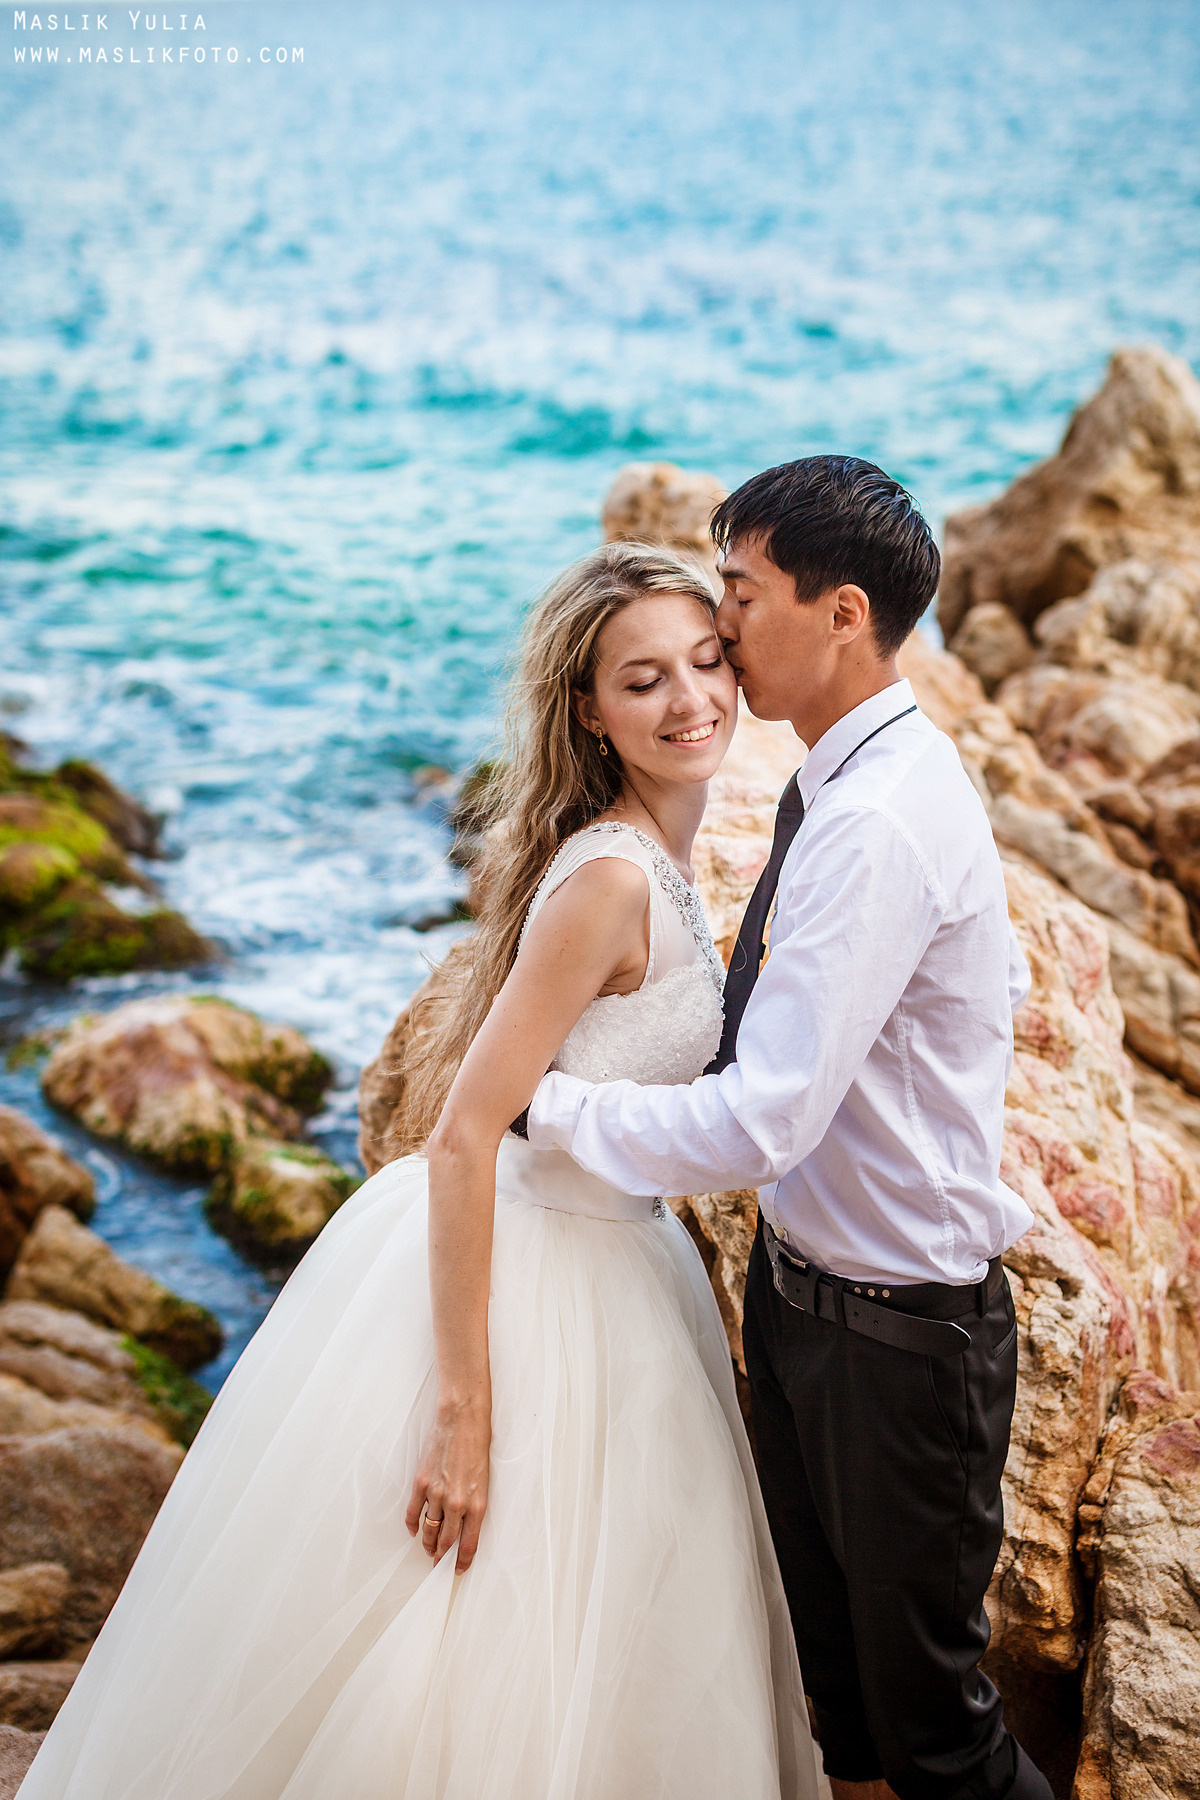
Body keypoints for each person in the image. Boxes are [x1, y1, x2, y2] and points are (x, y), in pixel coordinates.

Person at [20, 542, 821, 1800]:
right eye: (643, 680)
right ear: (588, 711)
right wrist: (464, 1407)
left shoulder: (651, 856)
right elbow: (461, 1132)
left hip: (618, 1258)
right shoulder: (610, 879)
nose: (691, 702)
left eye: (709, 663)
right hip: (536, 1277)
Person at [519, 458, 1056, 1800]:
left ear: (841, 612)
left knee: (938, 1735)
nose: (723, 623)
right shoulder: (853, 781)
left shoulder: (876, 817)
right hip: (812, 1301)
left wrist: (557, 1108)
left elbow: (763, 1118)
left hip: (899, 1336)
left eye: (742, 595)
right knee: (847, 1720)